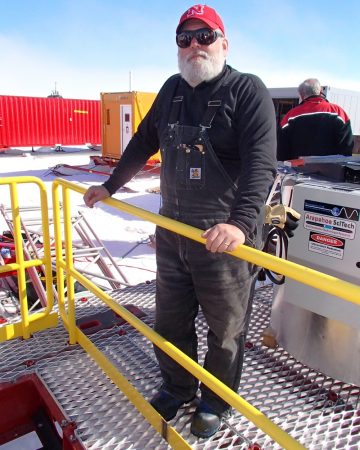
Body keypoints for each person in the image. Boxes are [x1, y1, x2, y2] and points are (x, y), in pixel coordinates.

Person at [84, 4, 277, 439]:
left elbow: (261, 165)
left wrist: (241, 224)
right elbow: (142, 142)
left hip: (223, 238)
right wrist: (111, 186)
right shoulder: (172, 90)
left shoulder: (247, 91)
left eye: (204, 37)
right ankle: (177, 386)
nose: (194, 46)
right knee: (170, 321)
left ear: (224, 43)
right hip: (173, 232)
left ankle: (214, 400)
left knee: (225, 329)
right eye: (184, 38)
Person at [277, 78, 354, 161]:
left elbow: (282, 150)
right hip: (331, 170)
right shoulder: (338, 113)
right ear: (320, 91)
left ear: (302, 94)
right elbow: (347, 146)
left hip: (297, 170)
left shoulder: (289, 117)